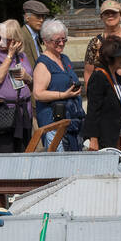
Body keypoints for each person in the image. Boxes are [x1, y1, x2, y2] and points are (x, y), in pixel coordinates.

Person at [0, 19, 35, 153]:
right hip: (3, 111)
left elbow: (30, 80)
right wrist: (10, 55)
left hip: (23, 111)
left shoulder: (22, 55)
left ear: (15, 40)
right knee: (6, 153)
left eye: (5, 39)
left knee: (24, 152)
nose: (0, 42)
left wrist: (27, 77)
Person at [33, 18, 85, 151]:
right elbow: (38, 94)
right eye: (57, 41)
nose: (61, 43)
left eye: (64, 39)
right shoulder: (43, 64)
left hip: (71, 121)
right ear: (45, 41)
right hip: (53, 123)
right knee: (59, 163)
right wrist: (63, 95)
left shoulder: (64, 58)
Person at [84, 35, 121, 152]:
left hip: (114, 137)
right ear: (111, 58)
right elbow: (93, 110)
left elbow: (117, 98)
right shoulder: (98, 77)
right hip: (101, 141)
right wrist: (93, 139)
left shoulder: (116, 76)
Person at [83, 0, 121, 87]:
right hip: (104, 92)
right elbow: (88, 72)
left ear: (120, 15)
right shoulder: (95, 43)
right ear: (101, 17)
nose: (110, 15)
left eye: (114, 13)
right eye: (106, 13)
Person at [19, 0, 49, 74]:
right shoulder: (21, 36)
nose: (41, 20)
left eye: (43, 16)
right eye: (38, 16)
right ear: (27, 17)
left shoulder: (34, 35)